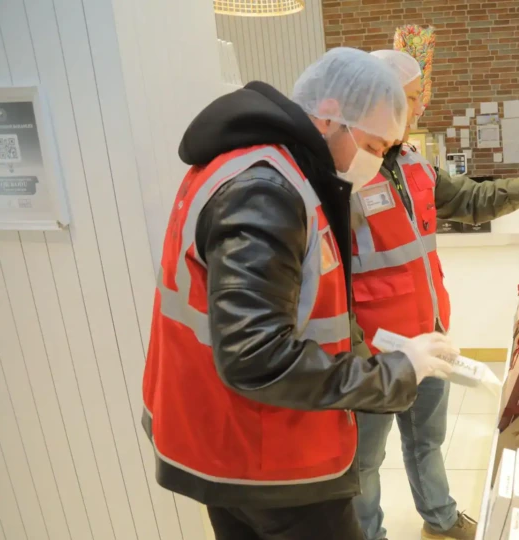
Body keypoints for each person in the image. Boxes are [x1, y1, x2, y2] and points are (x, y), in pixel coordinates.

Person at [141, 47, 459, 540]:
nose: (379, 163)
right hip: (261, 453)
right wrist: (398, 371)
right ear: (331, 115)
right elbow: (256, 356)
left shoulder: (275, 170)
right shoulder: (265, 188)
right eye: (375, 146)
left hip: (232, 442)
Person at [351, 49, 519, 540]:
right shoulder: (344, 175)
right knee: (365, 462)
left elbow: (468, 199)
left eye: (416, 100)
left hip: (431, 340)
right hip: (374, 355)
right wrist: (354, 352)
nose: (415, 111)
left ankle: (441, 518)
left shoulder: (412, 162)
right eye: (406, 100)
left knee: (427, 440)